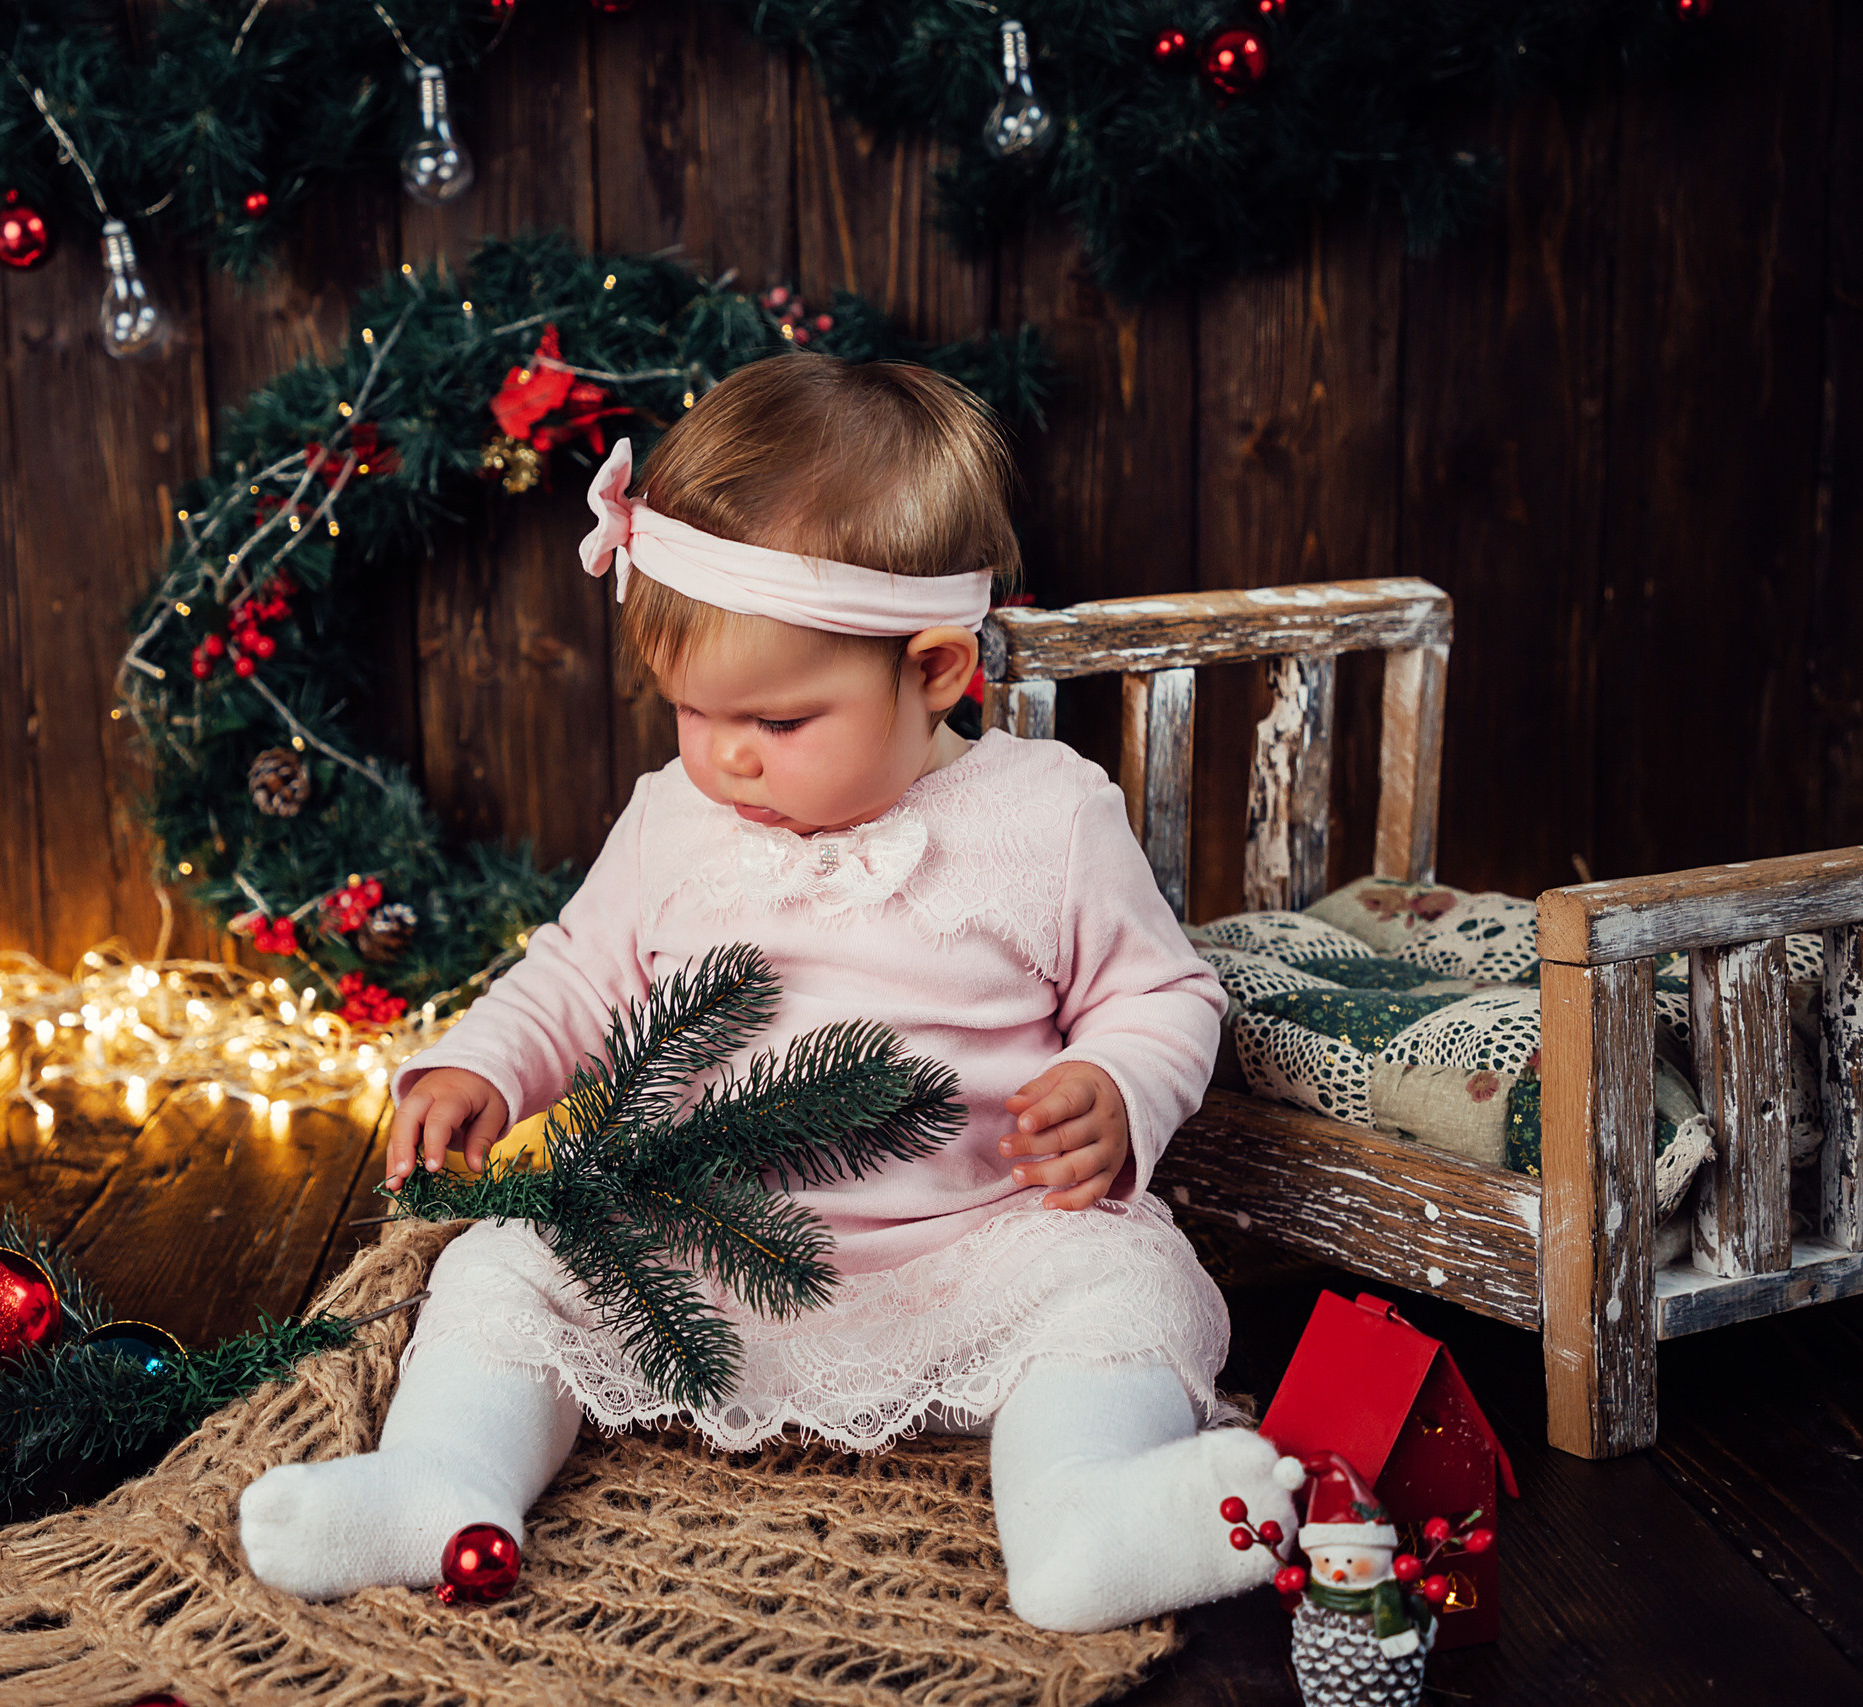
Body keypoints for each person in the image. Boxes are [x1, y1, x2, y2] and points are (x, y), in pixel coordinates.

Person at [239, 351, 1298, 1632]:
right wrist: (481, 1065)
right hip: (696, 1255)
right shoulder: (672, 817)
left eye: (781, 721)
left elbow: (1164, 993)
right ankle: (443, 1479)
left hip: (973, 1252)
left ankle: (1086, 1512)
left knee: (1123, 1298)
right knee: (503, 1268)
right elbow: (576, 974)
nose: (727, 754)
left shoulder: (1045, 816)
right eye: (693, 710)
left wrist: (1120, 1086)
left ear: (934, 674)